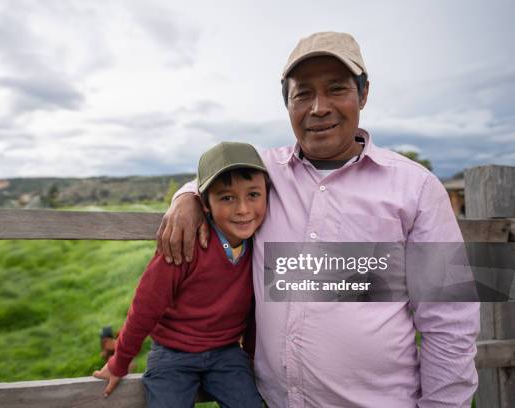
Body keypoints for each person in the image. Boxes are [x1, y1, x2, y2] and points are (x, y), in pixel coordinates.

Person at [158, 32, 480, 407]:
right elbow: (209, 181)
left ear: (363, 94)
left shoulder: (417, 187)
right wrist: (186, 198)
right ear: (288, 103)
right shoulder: (263, 174)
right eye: (303, 94)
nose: (318, 107)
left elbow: (450, 318)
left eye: (336, 89)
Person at [94, 142, 268, 408]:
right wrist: (120, 361)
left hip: (227, 353)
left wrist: (252, 355)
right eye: (227, 198)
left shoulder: (260, 245)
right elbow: (145, 307)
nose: (243, 209)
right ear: (205, 204)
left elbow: (258, 309)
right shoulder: (183, 245)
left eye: (253, 195)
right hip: (173, 353)